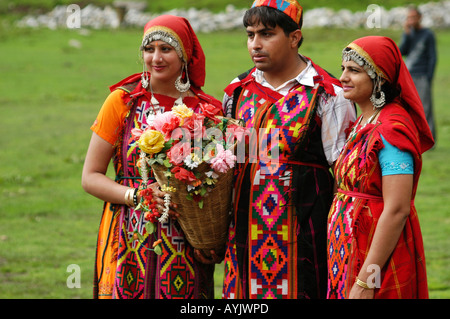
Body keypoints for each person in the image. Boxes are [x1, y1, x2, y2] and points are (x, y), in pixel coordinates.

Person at [220, 0, 356, 299]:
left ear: (294, 37)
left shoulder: (328, 94)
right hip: (243, 236)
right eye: (250, 34)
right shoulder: (237, 90)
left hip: (304, 238)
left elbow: (346, 174)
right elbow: (225, 163)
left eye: (267, 34)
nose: (255, 44)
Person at [81, 15, 223, 299]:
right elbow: (90, 177)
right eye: (149, 49)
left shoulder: (207, 111)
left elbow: (217, 185)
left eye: (166, 49)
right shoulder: (122, 101)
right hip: (127, 234)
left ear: (184, 55)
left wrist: (211, 240)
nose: (155, 58)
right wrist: (137, 196)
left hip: (188, 240)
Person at [327, 36, 434, 299]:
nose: (343, 77)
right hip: (347, 249)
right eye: (343, 69)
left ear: (379, 78)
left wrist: (366, 282)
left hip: (376, 253)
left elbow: (397, 209)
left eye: (354, 71)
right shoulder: (364, 121)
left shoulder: (391, 129)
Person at [399, 5, 437, 143]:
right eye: (409, 18)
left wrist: (429, 77)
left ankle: (430, 140)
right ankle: (414, 138)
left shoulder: (428, 34)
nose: (411, 20)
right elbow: (401, 51)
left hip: (422, 76)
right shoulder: (409, 34)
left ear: (420, 18)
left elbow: (433, 57)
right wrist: (406, 34)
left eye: (413, 17)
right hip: (409, 76)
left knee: (426, 108)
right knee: (409, 108)